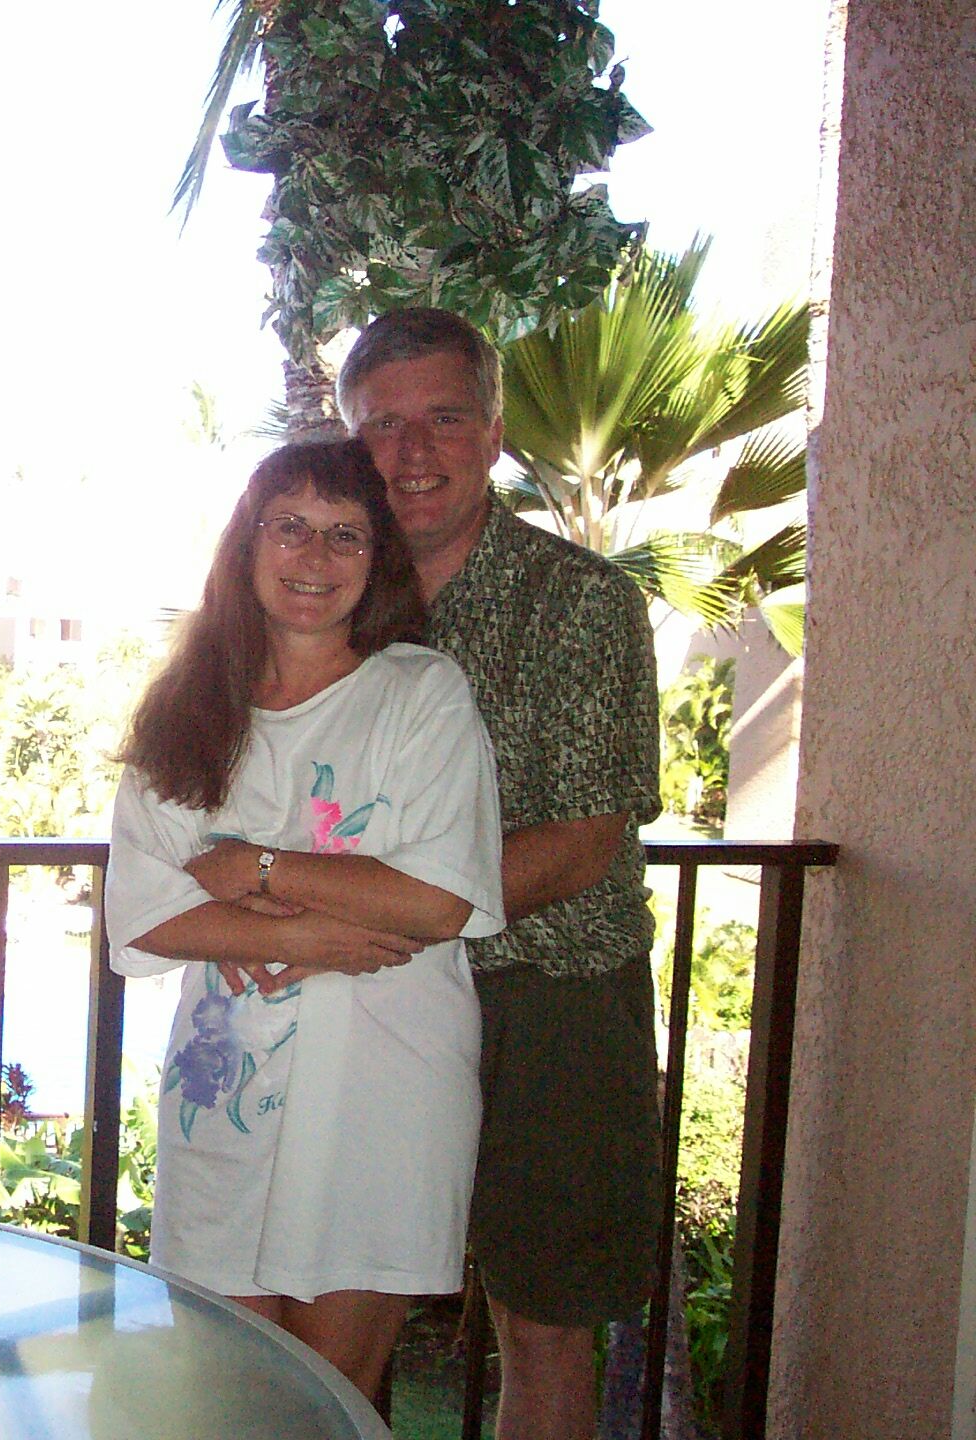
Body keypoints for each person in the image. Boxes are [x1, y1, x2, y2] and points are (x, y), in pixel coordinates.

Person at [104, 436, 505, 1401]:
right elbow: (144, 911)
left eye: (345, 536)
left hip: (383, 1088)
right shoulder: (191, 708)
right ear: (247, 544)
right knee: (220, 1384)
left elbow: (439, 898)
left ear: (379, 564)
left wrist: (254, 869)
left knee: (332, 1393)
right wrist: (301, 936)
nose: (314, 559)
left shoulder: (422, 695)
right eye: (290, 528)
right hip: (225, 1089)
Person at [337, 307, 663, 1440]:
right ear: (349, 440)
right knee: (344, 1286)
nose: (413, 452)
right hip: (376, 992)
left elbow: (582, 840)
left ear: (493, 430)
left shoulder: (580, 600)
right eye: (383, 426)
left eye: (444, 418)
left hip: (553, 998)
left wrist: (373, 919)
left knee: (544, 1322)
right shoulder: (334, 603)